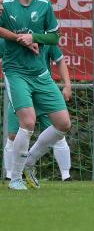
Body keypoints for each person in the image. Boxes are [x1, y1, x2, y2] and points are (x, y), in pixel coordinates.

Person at [0, 0, 71, 191]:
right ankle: (16, 178)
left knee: (63, 124)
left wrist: (34, 38)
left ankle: (29, 161)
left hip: (40, 74)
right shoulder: (7, 6)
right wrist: (20, 38)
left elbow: (54, 38)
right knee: (27, 122)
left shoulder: (44, 5)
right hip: (16, 72)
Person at [3, 43, 73, 182]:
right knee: (13, 134)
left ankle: (66, 176)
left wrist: (67, 84)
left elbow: (59, 59)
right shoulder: (8, 38)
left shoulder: (44, 37)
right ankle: (11, 176)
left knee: (61, 128)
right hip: (21, 89)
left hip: (42, 89)